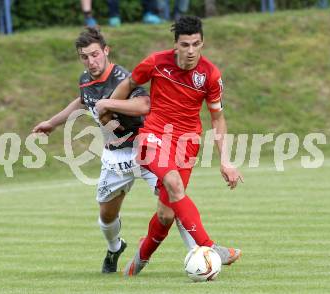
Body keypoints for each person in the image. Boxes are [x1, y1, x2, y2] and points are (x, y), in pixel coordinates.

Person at [32, 28, 195, 273]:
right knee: (107, 216)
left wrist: (109, 103)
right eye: (85, 56)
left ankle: (198, 252)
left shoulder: (123, 78)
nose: (91, 61)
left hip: (144, 148)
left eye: (95, 54)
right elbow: (81, 100)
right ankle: (115, 247)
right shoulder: (85, 79)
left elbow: (144, 104)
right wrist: (52, 123)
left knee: (173, 196)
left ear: (106, 51)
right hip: (114, 157)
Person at [100, 16, 243, 276]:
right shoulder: (156, 62)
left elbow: (217, 118)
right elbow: (129, 83)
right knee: (175, 185)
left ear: (203, 43)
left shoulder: (210, 74)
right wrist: (108, 111)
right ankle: (211, 247)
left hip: (187, 145)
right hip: (153, 137)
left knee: (166, 215)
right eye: (185, 45)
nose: (190, 51)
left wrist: (225, 160)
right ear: (175, 44)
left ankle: (138, 263)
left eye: (196, 44)